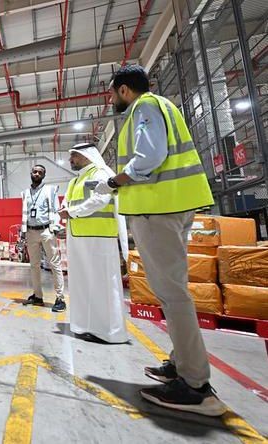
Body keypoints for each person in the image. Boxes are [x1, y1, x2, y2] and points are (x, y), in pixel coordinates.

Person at [95, 65, 226, 416]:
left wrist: (116, 181)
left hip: (158, 208)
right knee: (173, 289)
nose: (112, 99)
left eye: (113, 92)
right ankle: (181, 362)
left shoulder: (144, 107)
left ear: (124, 90)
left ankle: (195, 386)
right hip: (173, 205)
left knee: (172, 293)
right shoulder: (163, 105)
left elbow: (150, 157)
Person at [58, 143, 129, 344]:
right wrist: (64, 209)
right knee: (82, 283)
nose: (71, 160)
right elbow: (67, 203)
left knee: (104, 285)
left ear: (86, 156)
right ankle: (85, 326)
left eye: (74, 156)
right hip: (79, 237)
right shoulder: (75, 181)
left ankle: (110, 331)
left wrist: (71, 212)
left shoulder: (100, 173)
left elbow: (100, 200)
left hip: (99, 237)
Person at [21, 165, 66, 312]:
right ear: (30, 173)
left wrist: (55, 228)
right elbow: (25, 213)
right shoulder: (25, 193)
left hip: (46, 230)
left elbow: (56, 209)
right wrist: (23, 231)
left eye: (40, 172)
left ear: (44, 175)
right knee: (34, 265)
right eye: (34, 171)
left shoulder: (50, 190)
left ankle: (60, 298)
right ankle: (38, 296)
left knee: (54, 264)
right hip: (31, 232)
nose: (37, 174)